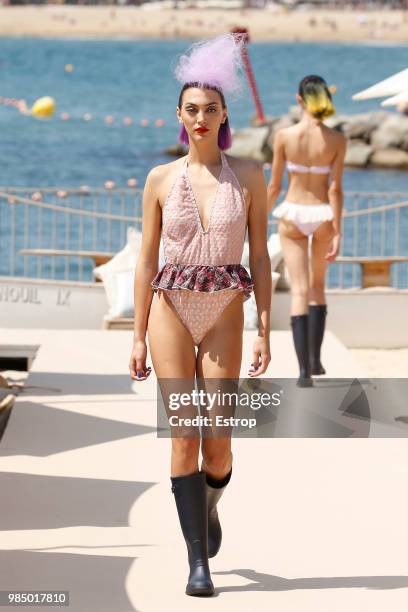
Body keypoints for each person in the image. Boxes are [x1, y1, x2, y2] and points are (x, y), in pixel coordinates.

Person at [129, 33, 271, 596]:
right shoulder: (159, 180)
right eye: (192, 109)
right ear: (179, 117)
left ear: (224, 114)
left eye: (211, 109)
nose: (201, 117)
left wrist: (265, 327)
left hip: (226, 309)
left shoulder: (251, 175)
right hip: (169, 306)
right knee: (183, 435)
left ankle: (208, 504)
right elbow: (145, 260)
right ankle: (198, 564)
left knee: (219, 443)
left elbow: (259, 255)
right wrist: (137, 336)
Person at [267, 75, 346, 387]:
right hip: (322, 214)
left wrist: (255, 215)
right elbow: (336, 189)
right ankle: (316, 359)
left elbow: (274, 185)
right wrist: (338, 231)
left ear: (299, 100)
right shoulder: (338, 140)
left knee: (299, 290)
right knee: (317, 288)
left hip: (293, 212)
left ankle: (303, 373)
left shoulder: (284, 136)